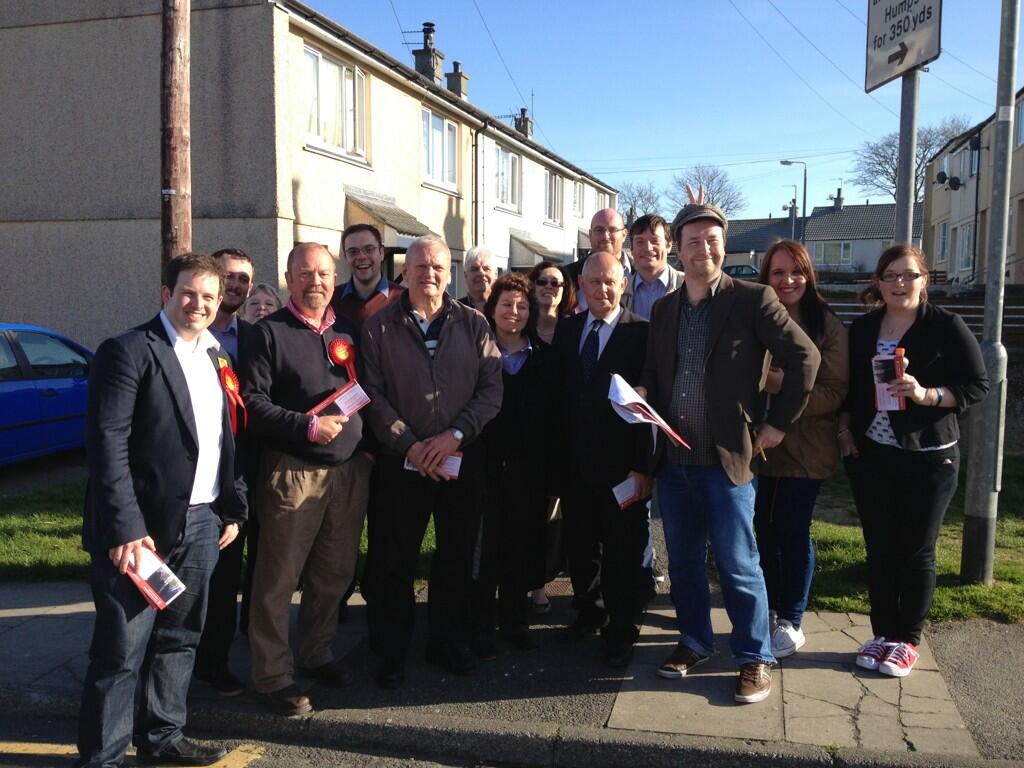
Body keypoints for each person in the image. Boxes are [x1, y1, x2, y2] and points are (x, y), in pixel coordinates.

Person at [639, 203, 819, 704]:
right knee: (687, 565)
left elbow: (805, 357)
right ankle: (695, 641)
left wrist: (778, 424)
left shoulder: (753, 300)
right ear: (678, 247)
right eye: (694, 240)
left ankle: (754, 656)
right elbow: (656, 373)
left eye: (713, 239)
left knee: (740, 565)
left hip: (728, 464)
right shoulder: (664, 309)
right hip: (675, 465)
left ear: (724, 244)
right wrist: (640, 399)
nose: (704, 248)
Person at [75, 253, 246, 768]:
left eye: (209, 298)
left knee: (179, 640)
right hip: (139, 534)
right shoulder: (128, 351)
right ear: (165, 293)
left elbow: (226, 436)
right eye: (189, 293)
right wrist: (126, 527)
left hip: (202, 524)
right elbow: (107, 444)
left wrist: (230, 509)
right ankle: (101, 758)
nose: (199, 304)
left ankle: (163, 738)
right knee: (120, 653)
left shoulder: (218, 357)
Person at [839, 244, 988, 677]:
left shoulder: (946, 326)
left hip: (929, 457)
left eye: (909, 275)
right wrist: (846, 431)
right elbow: (851, 390)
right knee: (880, 547)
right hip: (873, 454)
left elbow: (978, 385)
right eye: (890, 275)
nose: (899, 283)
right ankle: (882, 633)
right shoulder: (864, 328)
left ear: (925, 280)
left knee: (916, 550)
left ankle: (907, 639)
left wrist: (928, 395)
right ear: (878, 283)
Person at [361, 234, 502, 689]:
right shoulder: (378, 327)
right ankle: (391, 650)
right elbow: (372, 395)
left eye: (438, 266)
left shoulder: (475, 325)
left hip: (461, 458)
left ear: (450, 272)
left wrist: (454, 435)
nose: (429, 274)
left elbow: (490, 391)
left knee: (456, 556)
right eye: (420, 266)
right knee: (393, 560)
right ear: (405, 271)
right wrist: (410, 444)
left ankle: (447, 640)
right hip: (403, 463)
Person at [242, 243, 371, 716]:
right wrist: (307, 426)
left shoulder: (348, 328)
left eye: (322, 273)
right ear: (288, 278)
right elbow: (252, 404)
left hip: (350, 469)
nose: (315, 281)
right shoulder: (266, 333)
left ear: (332, 274)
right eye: (304, 274)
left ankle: (317, 653)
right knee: (278, 578)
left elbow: (364, 390)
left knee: (334, 573)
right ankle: (272, 675)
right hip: (294, 470)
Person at [551, 249, 651, 668]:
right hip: (576, 466)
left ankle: (621, 627)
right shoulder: (568, 329)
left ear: (623, 285)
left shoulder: (643, 334)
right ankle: (588, 611)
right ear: (582, 286)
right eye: (594, 281)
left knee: (623, 552)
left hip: (622, 468)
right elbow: (558, 396)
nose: (603, 289)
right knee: (582, 546)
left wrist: (644, 467)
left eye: (611, 281)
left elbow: (650, 409)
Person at [753, 240, 849, 659]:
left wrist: (782, 390)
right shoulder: (756, 317)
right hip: (758, 448)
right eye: (777, 273)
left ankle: (792, 618)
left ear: (809, 275)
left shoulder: (826, 325)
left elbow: (834, 393)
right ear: (766, 277)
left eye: (796, 272)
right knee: (763, 531)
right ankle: (772, 609)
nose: (788, 280)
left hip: (805, 448)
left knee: (793, 531)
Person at [469, 272, 555, 656]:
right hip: (484, 466)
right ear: (492, 308)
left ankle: (515, 622)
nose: (514, 312)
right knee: (485, 548)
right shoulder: (477, 355)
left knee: (521, 546)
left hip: (530, 469)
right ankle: (482, 625)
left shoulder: (543, 358)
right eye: (506, 304)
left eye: (522, 306)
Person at [194, 248, 260, 697]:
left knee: (228, 574)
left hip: (243, 472)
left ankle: (215, 662)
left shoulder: (256, 337)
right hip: (196, 476)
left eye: (244, 281)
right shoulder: (188, 333)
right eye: (229, 278)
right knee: (192, 575)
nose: (236, 286)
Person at [332, 223, 405, 330]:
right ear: (345, 257)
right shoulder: (332, 299)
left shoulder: (404, 299)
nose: (361, 257)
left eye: (369, 249)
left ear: (381, 253)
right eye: (353, 252)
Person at [567, 208, 631, 312]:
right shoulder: (568, 276)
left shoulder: (639, 275)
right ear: (590, 235)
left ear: (624, 235)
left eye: (613, 230)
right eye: (599, 230)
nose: (605, 236)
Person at [623, 213, 684, 320]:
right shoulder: (620, 292)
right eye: (640, 242)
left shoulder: (687, 287)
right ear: (632, 249)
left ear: (669, 245)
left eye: (655, 241)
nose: (648, 248)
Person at [528, 261, 576, 345]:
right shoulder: (522, 328)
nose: (548, 286)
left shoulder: (575, 329)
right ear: (532, 287)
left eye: (555, 283)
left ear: (565, 290)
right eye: (542, 282)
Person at [459, 245, 497, 312]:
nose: (481, 273)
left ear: (496, 275)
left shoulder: (504, 309)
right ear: (466, 275)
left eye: (486, 269)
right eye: (475, 269)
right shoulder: (455, 310)